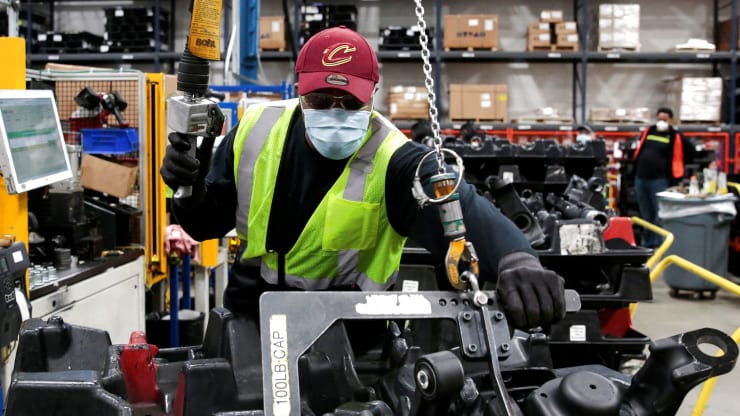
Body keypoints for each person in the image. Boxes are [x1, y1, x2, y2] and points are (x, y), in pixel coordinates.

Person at [160, 26, 565, 332]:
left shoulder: (395, 160)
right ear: (300, 91)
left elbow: (459, 202)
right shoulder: (256, 129)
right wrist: (187, 186)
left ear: (371, 97)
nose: (335, 112)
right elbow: (203, 224)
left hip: (350, 330)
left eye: (350, 103)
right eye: (320, 100)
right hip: (253, 316)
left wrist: (516, 258)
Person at [632, 107, 686, 248]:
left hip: (659, 181)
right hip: (641, 178)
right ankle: (647, 244)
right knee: (646, 214)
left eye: (664, 119)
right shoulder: (649, 131)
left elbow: (687, 152)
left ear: (670, 120)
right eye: (659, 119)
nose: (661, 122)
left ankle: (658, 245)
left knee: (658, 215)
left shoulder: (674, 135)